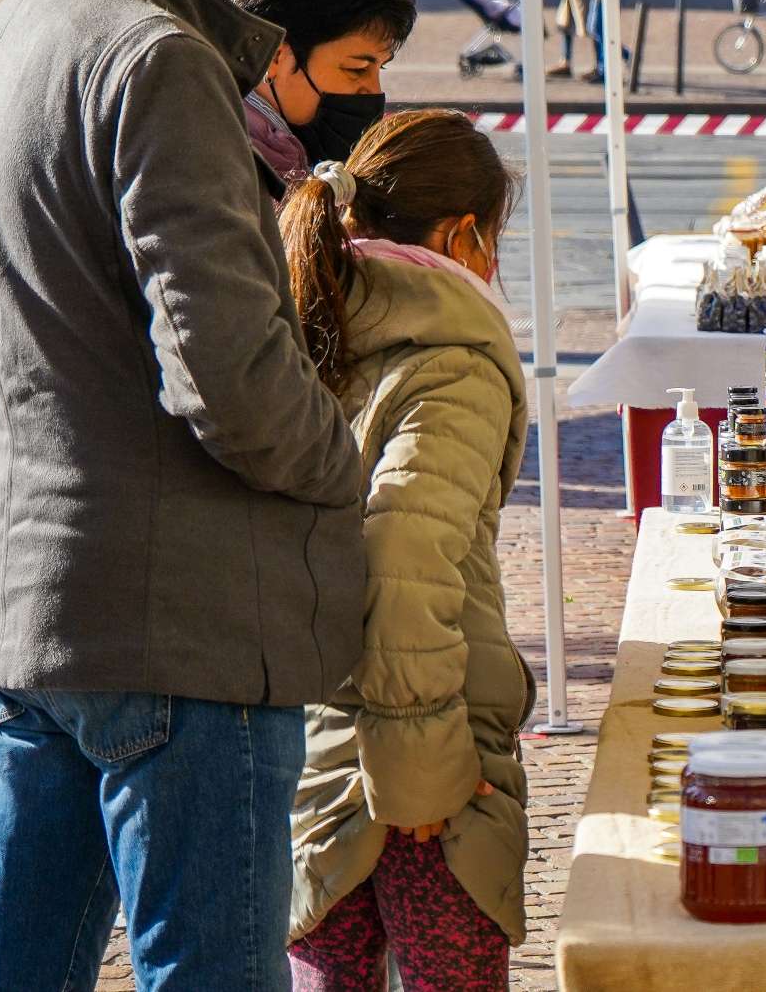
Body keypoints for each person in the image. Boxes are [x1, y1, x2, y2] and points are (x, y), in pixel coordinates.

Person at [0, 0, 365, 990]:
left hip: (31, 612)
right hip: (184, 633)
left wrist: (61, 433)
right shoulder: (153, 57)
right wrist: (351, 463)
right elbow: (233, 380)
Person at [281, 109, 532, 992]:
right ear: (464, 233)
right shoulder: (453, 362)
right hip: (420, 791)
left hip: (317, 755)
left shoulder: (314, 322)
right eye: (496, 238)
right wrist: (422, 777)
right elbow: (403, 555)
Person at [227, 0, 417, 199]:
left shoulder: (286, 153)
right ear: (274, 57)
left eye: (381, 69)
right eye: (356, 69)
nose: (373, 91)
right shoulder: (226, 164)